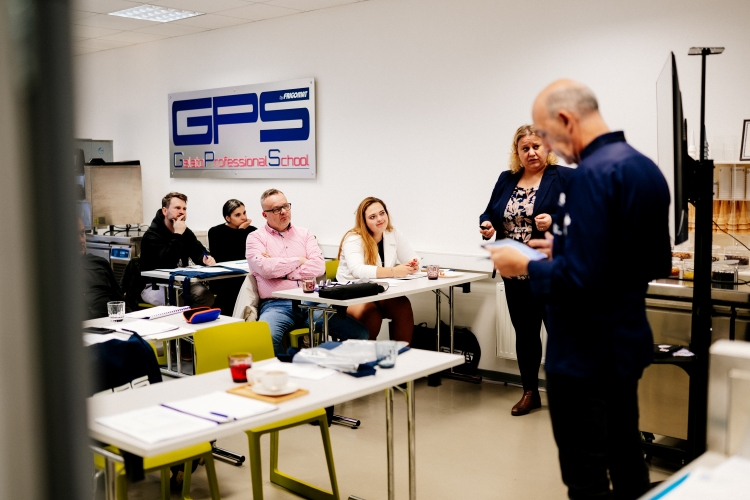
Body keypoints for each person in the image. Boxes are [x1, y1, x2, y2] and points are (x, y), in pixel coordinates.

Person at [489, 80, 671, 499]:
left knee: (586, 477)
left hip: (584, 355)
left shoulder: (590, 175)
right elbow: (651, 262)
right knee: (627, 460)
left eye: (546, 133)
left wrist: (527, 263)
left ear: (566, 119)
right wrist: (567, 248)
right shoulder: (643, 167)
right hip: (624, 344)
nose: (546, 146)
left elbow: (581, 281)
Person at [479, 125, 573, 416]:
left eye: (536, 146)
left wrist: (555, 220)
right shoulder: (506, 179)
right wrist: (487, 225)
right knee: (526, 334)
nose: (531, 152)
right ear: (517, 152)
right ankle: (530, 393)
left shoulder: (564, 177)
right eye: (525, 148)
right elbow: (490, 212)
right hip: (515, 275)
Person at [246, 189, 369, 356]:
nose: (283, 212)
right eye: (276, 209)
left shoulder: (304, 234)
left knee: (360, 333)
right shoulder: (255, 238)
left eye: (286, 206)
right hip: (277, 304)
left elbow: (318, 267)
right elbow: (266, 269)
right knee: (266, 338)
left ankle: (331, 366)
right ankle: (290, 368)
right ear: (264, 214)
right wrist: (299, 260)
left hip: (311, 301)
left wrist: (283, 271)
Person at [337, 197, 420, 342]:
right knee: (371, 314)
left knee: (402, 306)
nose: (380, 219)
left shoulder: (392, 233)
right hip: (352, 294)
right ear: (364, 221)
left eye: (382, 213)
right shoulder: (353, 238)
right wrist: (394, 271)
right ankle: (367, 355)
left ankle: (400, 354)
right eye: (372, 217)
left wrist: (413, 264)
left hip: (379, 291)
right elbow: (358, 270)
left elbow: (413, 257)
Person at [140, 192, 216, 307]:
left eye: (184, 209)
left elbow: (198, 250)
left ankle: (193, 318)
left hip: (181, 281)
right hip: (156, 285)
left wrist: (205, 258)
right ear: (165, 211)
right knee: (176, 302)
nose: (182, 212)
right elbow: (167, 262)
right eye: (177, 208)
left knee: (205, 296)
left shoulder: (185, 232)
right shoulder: (151, 236)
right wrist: (178, 235)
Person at [208, 199, 257, 315]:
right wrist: (240, 231)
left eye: (244, 213)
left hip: (245, 275)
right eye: (238, 215)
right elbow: (224, 257)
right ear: (228, 218)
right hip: (225, 278)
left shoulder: (252, 231)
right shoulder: (215, 232)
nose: (243, 217)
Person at [78, 218, 130, 320]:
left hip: (109, 322)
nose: (80, 240)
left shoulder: (100, 263)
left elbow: (121, 303)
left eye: (82, 233)